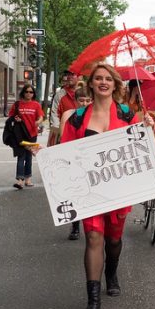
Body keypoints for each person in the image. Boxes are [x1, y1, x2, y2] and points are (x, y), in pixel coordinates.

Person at [59, 63, 152, 309]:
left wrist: (147, 127)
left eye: (107, 79)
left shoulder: (126, 114)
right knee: (93, 236)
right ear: (90, 83)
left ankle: (111, 272)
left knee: (113, 239)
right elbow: (64, 154)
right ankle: (93, 301)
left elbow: (141, 148)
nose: (103, 82)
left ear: (115, 84)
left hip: (118, 192)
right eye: (98, 78)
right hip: (88, 191)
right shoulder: (77, 118)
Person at [59, 86, 92, 241]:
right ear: (76, 101)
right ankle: (75, 225)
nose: (84, 103)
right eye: (81, 100)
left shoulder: (96, 115)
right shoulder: (70, 115)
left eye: (88, 100)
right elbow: (63, 136)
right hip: (74, 158)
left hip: (91, 158)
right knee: (75, 192)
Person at [8, 85, 44, 189]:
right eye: (27, 92)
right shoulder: (17, 104)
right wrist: (16, 118)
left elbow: (41, 116)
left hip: (32, 134)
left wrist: (38, 122)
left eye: (31, 92)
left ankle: (28, 179)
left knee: (28, 157)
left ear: (33, 94)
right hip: (19, 135)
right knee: (20, 156)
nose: (29, 94)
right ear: (23, 92)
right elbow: (11, 116)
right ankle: (20, 181)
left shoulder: (36, 105)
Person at [49, 70, 78, 146]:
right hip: (64, 136)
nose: (69, 76)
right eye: (67, 74)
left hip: (81, 135)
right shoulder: (60, 94)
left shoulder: (87, 92)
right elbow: (54, 115)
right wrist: (59, 134)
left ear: (80, 76)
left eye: (72, 74)